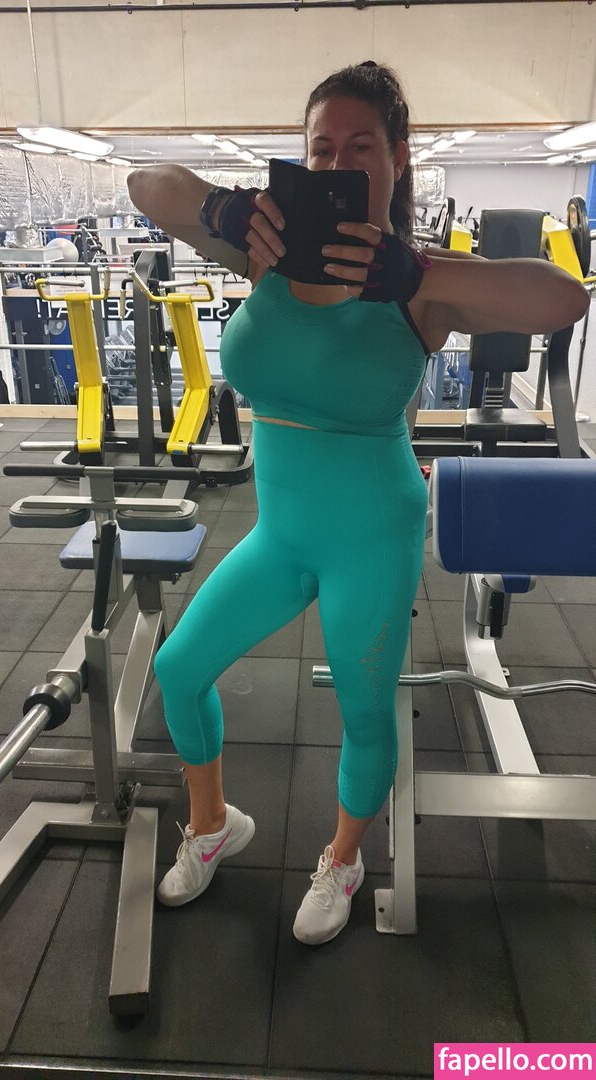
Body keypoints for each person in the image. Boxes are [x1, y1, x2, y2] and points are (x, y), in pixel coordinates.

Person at [127, 62, 588, 946]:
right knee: (180, 670)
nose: (338, 162)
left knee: (366, 715)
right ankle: (214, 824)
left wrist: (417, 268)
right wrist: (222, 208)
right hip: (281, 532)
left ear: (397, 158)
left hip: (372, 534)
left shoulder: (422, 285)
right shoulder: (263, 252)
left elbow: (562, 298)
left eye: (360, 147)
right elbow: (146, 187)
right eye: (321, 148)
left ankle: (343, 858)